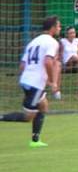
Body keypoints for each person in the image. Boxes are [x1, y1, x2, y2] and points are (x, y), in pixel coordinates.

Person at [1, 16, 61, 147]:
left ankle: (35, 140)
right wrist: (52, 82)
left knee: (43, 105)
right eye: (58, 26)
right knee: (28, 116)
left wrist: (27, 77)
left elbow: (22, 64)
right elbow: (48, 61)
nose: (60, 28)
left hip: (28, 80)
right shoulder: (52, 42)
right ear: (52, 28)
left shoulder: (33, 42)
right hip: (35, 83)